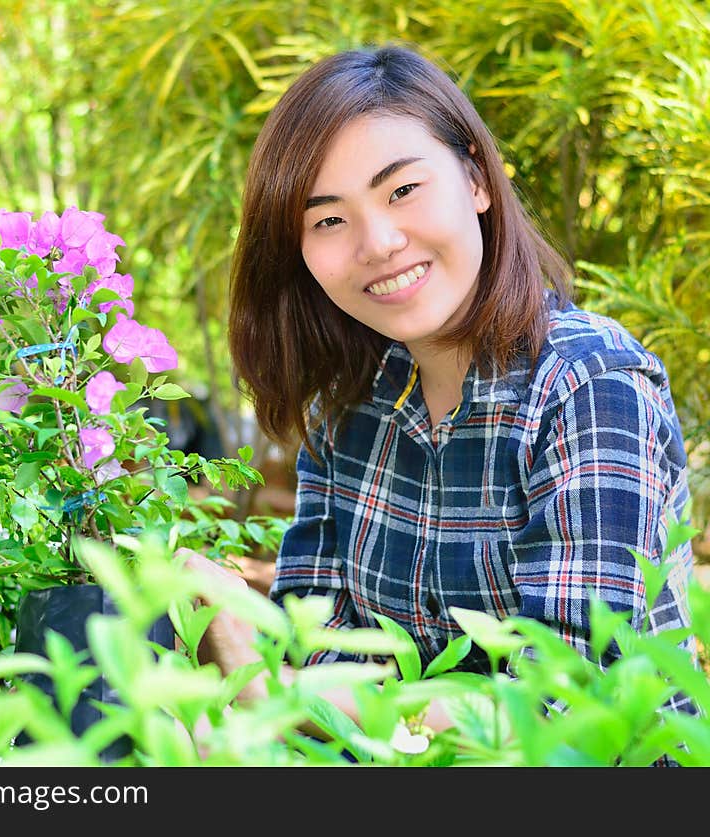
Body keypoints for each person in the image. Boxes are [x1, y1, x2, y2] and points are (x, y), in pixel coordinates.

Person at [178, 44, 696, 741]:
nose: (379, 241)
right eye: (328, 218)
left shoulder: (590, 385)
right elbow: (319, 633)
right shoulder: (349, 403)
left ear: (477, 180)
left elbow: (571, 696)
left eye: (402, 190)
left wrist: (284, 692)